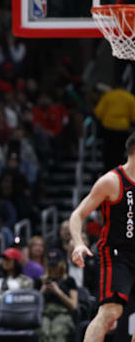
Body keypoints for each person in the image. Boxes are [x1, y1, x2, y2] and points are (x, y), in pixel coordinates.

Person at [70, 131, 135, 342]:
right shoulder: (112, 181)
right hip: (117, 254)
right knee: (110, 312)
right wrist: (79, 244)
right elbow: (77, 214)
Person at [36, 250, 78, 342]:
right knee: (43, 331)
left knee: (57, 332)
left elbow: (74, 306)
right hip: (45, 313)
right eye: (51, 265)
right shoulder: (41, 281)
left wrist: (58, 292)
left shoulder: (69, 281)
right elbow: (33, 305)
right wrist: (42, 291)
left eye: (55, 265)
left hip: (63, 313)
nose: (53, 268)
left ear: (61, 264)